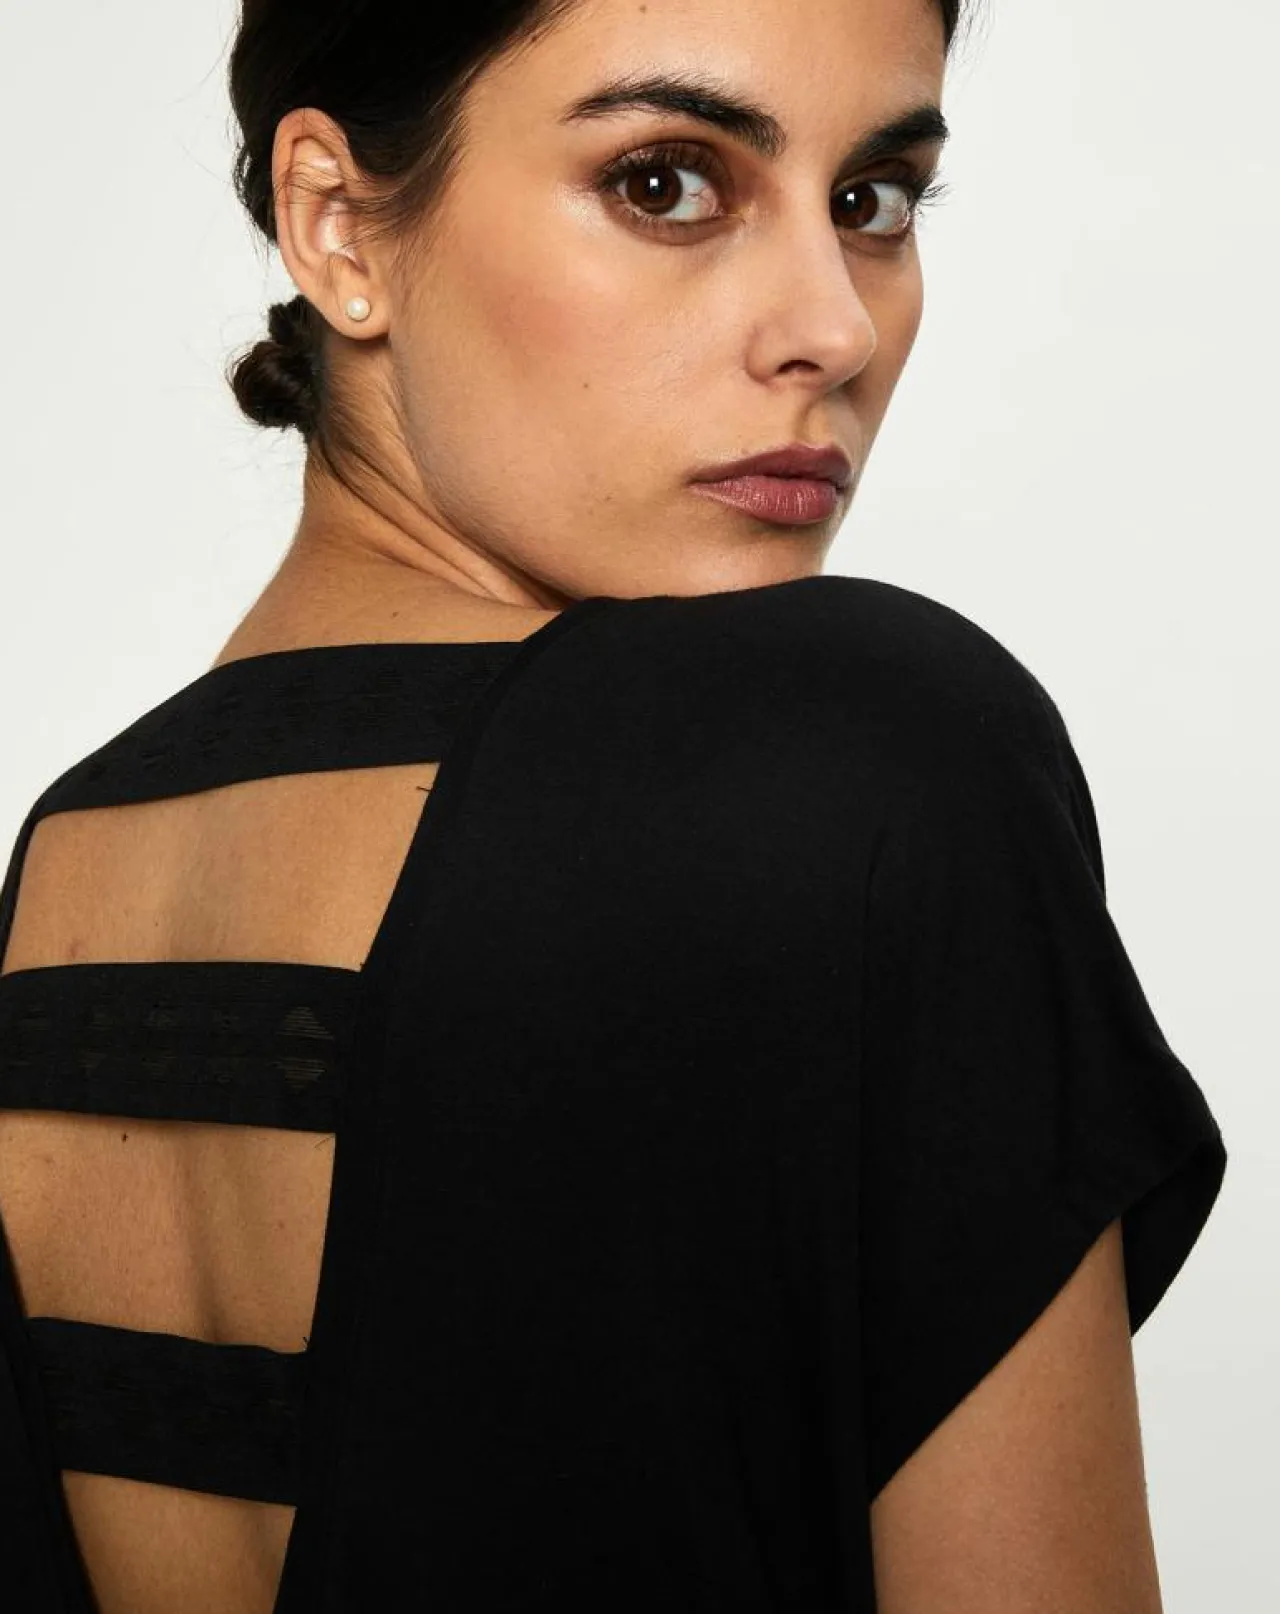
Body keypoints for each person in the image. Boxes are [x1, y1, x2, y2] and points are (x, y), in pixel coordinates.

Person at [0, 1, 1226, 1611]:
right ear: (338, 224)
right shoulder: (874, 763)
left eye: (873, 200)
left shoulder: (63, 864)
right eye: (667, 183)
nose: (832, 328)